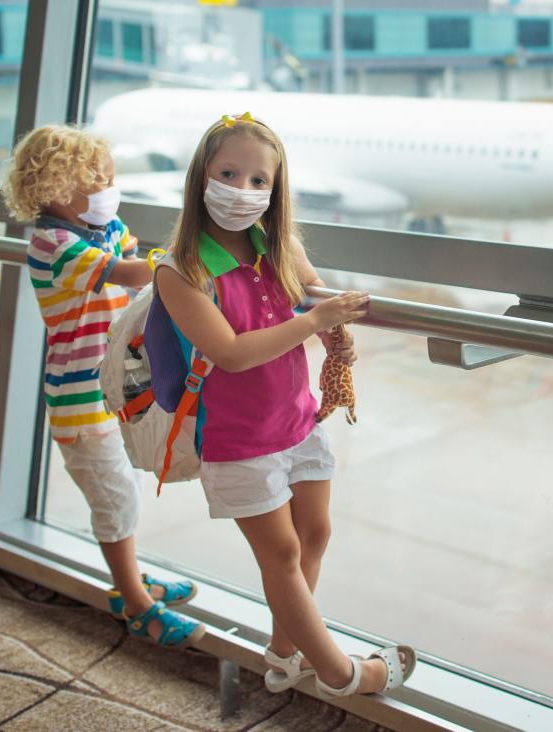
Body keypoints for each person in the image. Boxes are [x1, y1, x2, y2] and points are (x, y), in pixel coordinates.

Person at [152, 112, 415, 697]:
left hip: (296, 423)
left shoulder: (281, 246)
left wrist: (333, 334)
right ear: (201, 176)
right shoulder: (180, 270)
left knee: (315, 534)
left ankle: (283, 654)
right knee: (283, 551)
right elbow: (232, 353)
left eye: (258, 180)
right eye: (228, 173)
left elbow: (314, 301)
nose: (243, 191)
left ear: (276, 188)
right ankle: (345, 675)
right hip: (239, 441)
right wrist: (317, 320)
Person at [1, 124, 204, 648]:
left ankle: (129, 576)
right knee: (113, 498)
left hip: (114, 394)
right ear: (54, 191)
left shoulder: (106, 226)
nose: (109, 191)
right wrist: (191, 258)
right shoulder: (54, 244)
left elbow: (139, 261)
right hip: (79, 402)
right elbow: (132, 273)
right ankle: (134, 603)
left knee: (127, 491)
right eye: (97, 182)